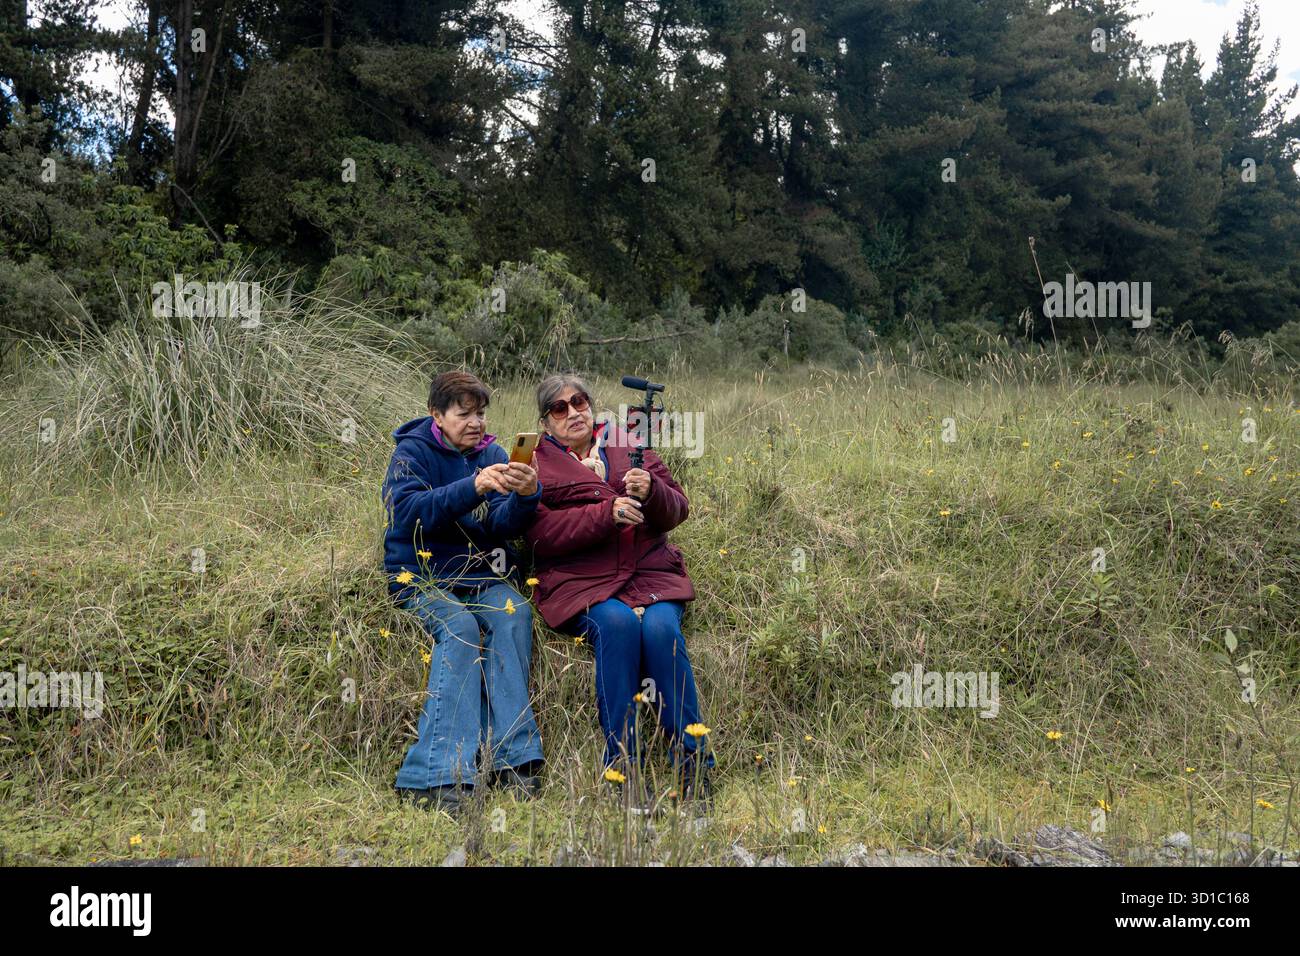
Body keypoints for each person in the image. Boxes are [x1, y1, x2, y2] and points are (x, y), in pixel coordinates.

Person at [523, 373, 714, 808]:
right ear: (546, 422)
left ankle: (694, 764)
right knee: (618, 625)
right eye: (559, 408)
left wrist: (653, 492)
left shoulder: (629, 444)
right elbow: (537, 534)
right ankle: (624, 769)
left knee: (663, 631)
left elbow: (677, 508)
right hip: (582, 582)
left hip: (649, 576)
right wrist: (603, 515)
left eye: (580, 401)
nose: (573, 412)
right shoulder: (536, 464)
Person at [382, 370, 545, 813]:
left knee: (514, 613)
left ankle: (513, 760)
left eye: (481, 413)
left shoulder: (490, 451)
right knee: (459, 626)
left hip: (479, 574)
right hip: (420, 574)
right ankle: (436, 774)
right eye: (464, 413)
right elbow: (408, 515)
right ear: (437, 414)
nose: (475, 422)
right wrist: (472, 485)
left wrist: (525, 496)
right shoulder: (411, 452)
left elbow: (499, 525)